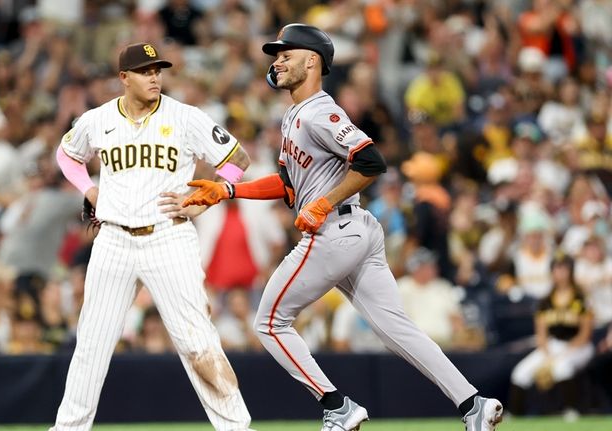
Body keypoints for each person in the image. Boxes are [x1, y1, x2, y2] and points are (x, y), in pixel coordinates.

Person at [184, 23, 503, 431]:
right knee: (396, 329)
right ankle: (473, 404)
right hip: (354, 231)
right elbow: (286, 184)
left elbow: (371, 161)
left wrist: (323, 202)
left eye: (286, 54)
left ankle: (337, 406)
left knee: (269, 322)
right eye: (275, 55)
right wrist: (229, 190)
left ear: (312, 61)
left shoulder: (319, 111)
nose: (277, 61)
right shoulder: (295, 115)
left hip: (334, 231)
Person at [50, 42, 252, 431]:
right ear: (124, 78)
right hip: (113, 241)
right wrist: (89, 190)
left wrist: (204, 198)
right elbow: (66, 155)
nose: (154, 76)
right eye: (145, 71)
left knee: (198, 343)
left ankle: (238, 428)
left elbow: (237, 161)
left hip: (169, 238)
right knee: (91, 344)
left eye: (157, 69)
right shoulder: (98, 119)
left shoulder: (185, 117)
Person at [508, 255, 594, 417]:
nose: (560, 272)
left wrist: (563, 354)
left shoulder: (581, 298)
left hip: (578, 345)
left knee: (562, 368)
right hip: (552, 345)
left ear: (571, 271)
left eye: (563, 268)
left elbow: (585, 334)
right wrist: (547, 356)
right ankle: (514, 414)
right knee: (520, 372)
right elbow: (541, 334)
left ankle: (571, 411)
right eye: (556, 268)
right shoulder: (545, 300)